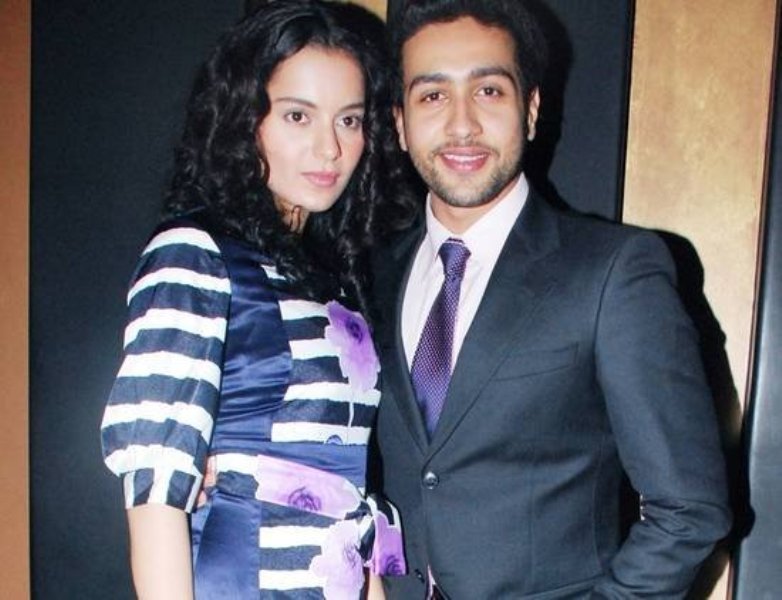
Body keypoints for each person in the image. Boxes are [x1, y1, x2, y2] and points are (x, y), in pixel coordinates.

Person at [370, 0, 732, 597]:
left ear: (531, 110)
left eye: (488, 91)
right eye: (432, 96)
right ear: (401, 125)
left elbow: (688, 509)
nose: (462, 124)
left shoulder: (613, 271)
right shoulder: (371, 276)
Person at [100, 1, 411, 597]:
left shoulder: (333, 277)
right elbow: (156, 488)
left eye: (349, 120)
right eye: (298, 116)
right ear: (246, 119)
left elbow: (350, 483)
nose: (329, 149)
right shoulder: (194, 254)